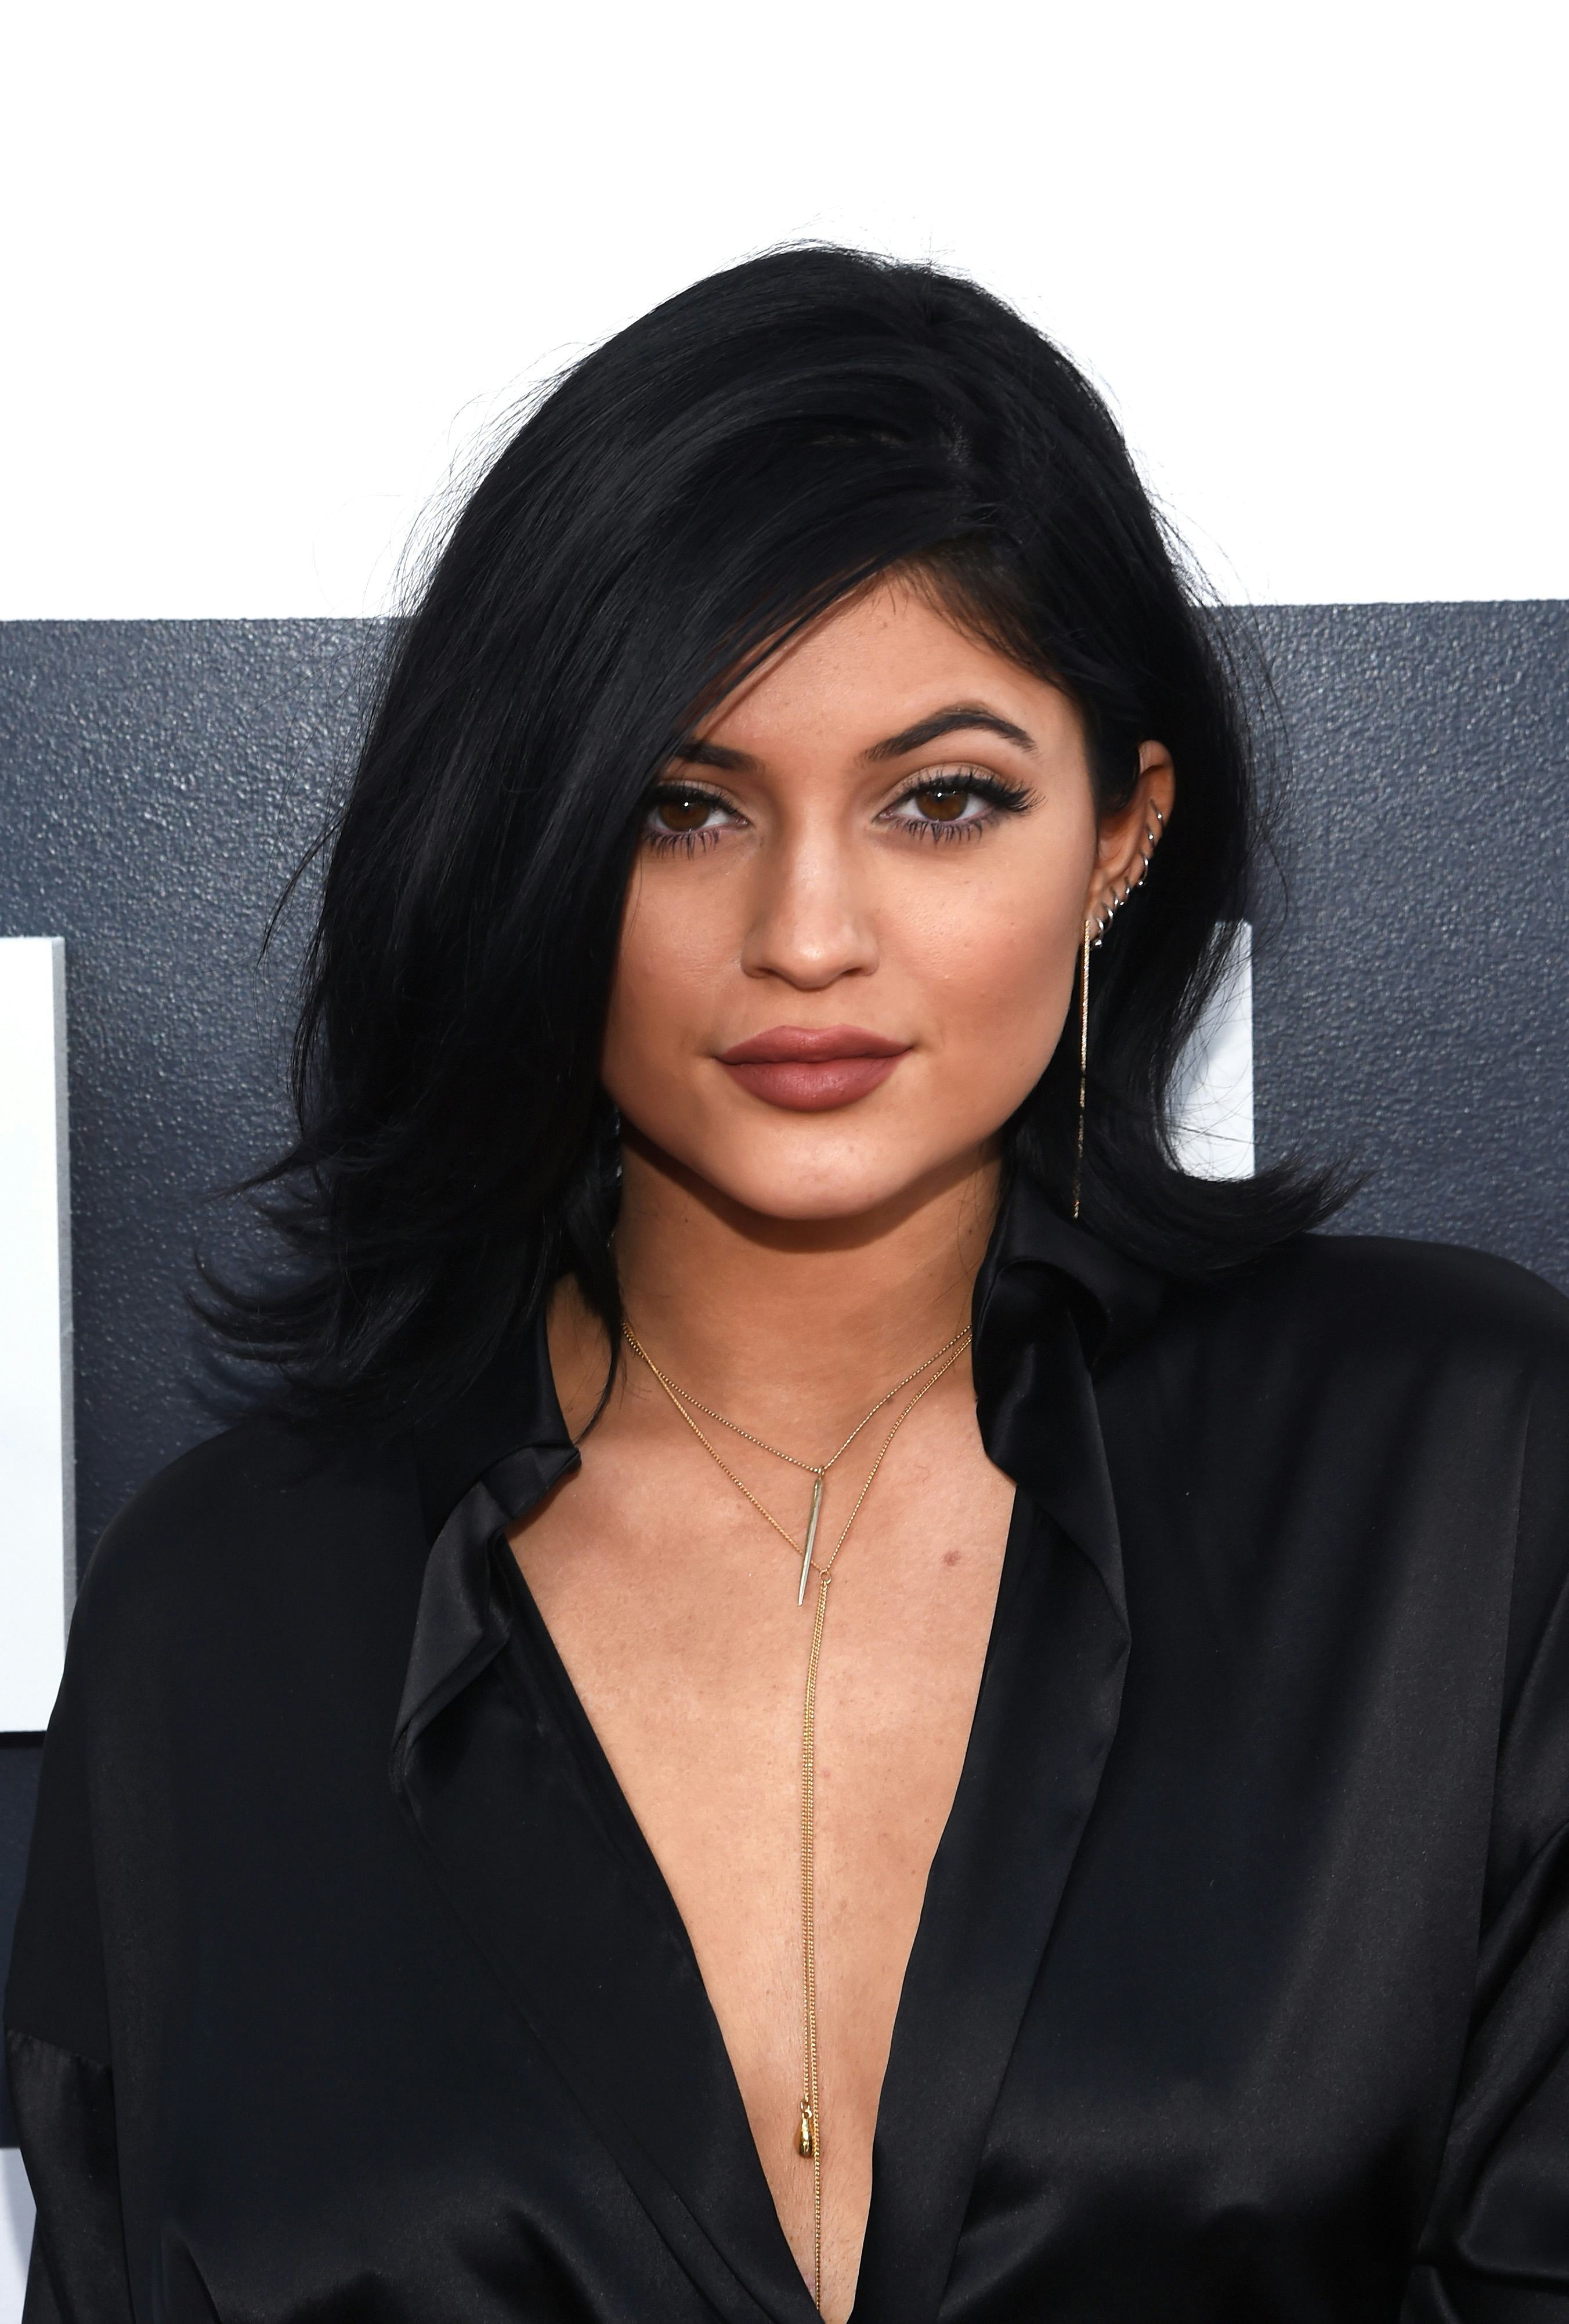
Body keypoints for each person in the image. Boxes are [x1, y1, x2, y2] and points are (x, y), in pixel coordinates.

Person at [7, 247, 1568, 2324]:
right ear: (532, 842)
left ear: (1121, 833)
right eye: (683, 808)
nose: (807, 932)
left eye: (943, 801)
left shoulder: (1461, 1483)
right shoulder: (231, 1616)